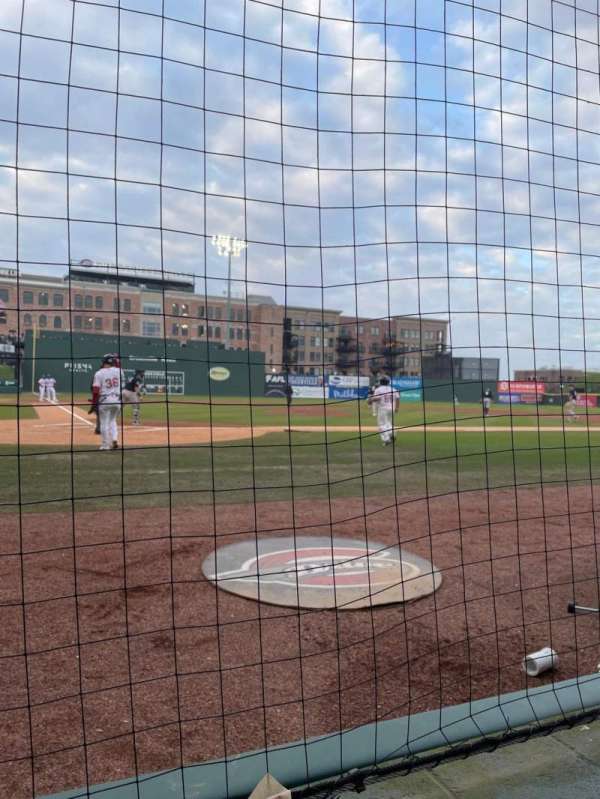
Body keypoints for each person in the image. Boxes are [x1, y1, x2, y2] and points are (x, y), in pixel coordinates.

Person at [91, 354, 122, 450]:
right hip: (117, 401)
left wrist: (94, 404)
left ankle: (105, 445)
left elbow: (96, 390)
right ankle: (114, 439)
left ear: (103, 362)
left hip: (105, 401)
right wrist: (116, 358)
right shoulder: (119, 371)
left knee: (104, 423)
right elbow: (118, 364)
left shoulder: (99, 373)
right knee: (112, 420)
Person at [367, 375, 399, 445]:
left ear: (381, 382)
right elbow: (397, 398)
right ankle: (392, 432)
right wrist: (397, 408)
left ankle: (387, 439)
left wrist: (370, 400)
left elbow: (377, 398)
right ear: (388, 382)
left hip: (383, 408)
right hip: (392, 408)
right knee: (388, 423)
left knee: (381, 425)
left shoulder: (378, 389)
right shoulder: (393, 389)